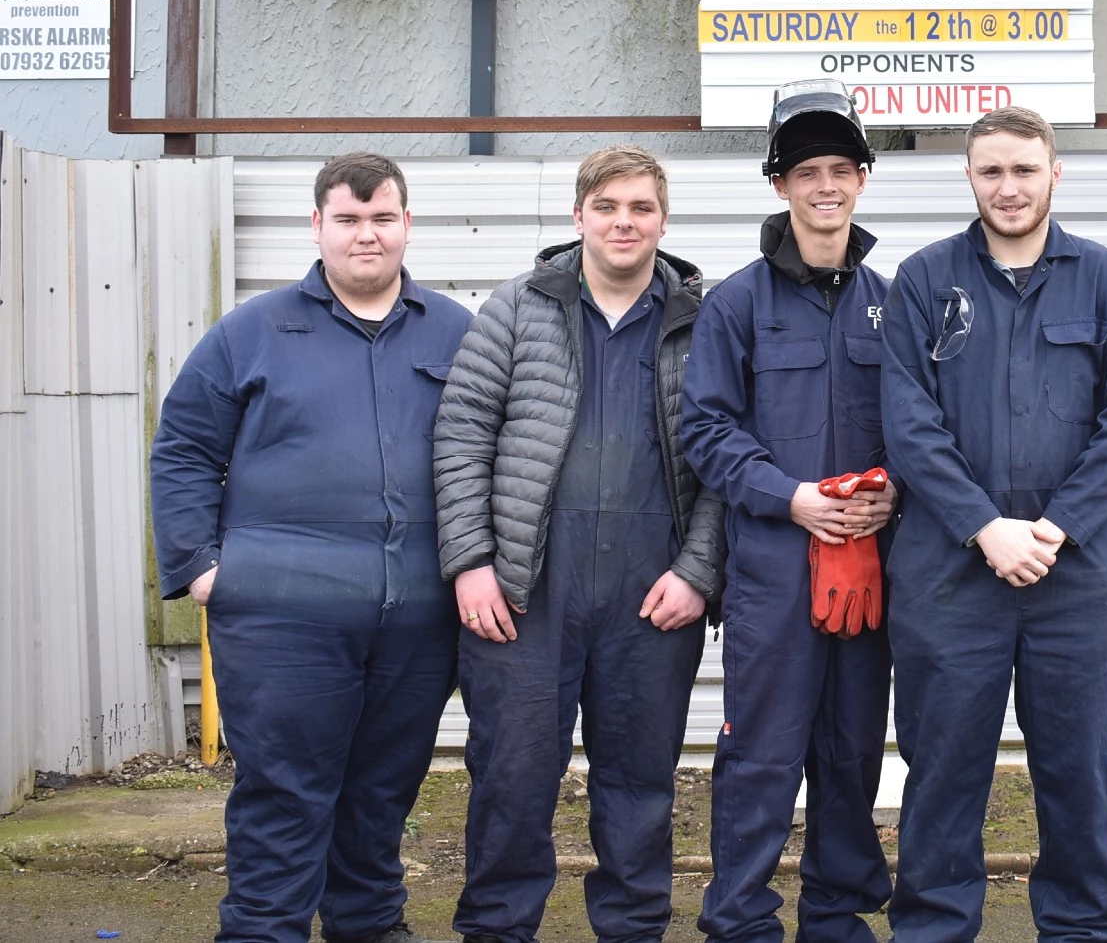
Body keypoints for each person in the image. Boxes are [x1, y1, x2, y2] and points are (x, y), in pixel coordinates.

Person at [150, 152, 473, 943]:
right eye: (349, 219)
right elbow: (185, 446)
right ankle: (264, 929)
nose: (368, 234)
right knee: (287, 789)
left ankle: (366, 923)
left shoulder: (459, 332)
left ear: (406, 223)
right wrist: (199, 567)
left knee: (384, 786)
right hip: (279, 616)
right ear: (318, 225)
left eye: (383, 217)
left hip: (418, 620)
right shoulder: (252, 332)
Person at [432, 144, 726, 943]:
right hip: (527, 594)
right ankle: (496, 928)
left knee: (638, 786)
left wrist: (699, 572)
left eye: (640, 208)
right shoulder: (519, 306)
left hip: (651, 595)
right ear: (578, 216)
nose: (623, 222)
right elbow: (461, 434)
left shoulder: (701, 320)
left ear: (663, 220)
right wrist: (471, 563)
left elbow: (727, 461)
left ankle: (631, 928)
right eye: (607, 206)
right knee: (513, 776)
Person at [880, 106, 1107, 943]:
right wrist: (984, 526)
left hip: (1079, 576)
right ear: (969, 176)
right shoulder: (924, 282)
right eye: (991, 171)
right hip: (948, 573)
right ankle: (932, 926)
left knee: (1076, 771)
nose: (1009, 187)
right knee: (943, 768)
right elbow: (908, 422)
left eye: (1024, 170)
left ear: (1054, 174)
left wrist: (1056, 526)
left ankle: (1082, 926)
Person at [682, 81, 897, 943]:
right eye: (806, 170)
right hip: (775, 570)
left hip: (872, 572)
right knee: (762, 753)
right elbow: (706, 427)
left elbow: (924, 422)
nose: (825, 186)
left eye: (840, 168)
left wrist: (896, 492)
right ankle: (739, 919)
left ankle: (837, 916)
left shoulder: (895, 298)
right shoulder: (736, 303)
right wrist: (795, 497)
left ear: (862, 179)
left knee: (850, 752)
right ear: (780, 185)